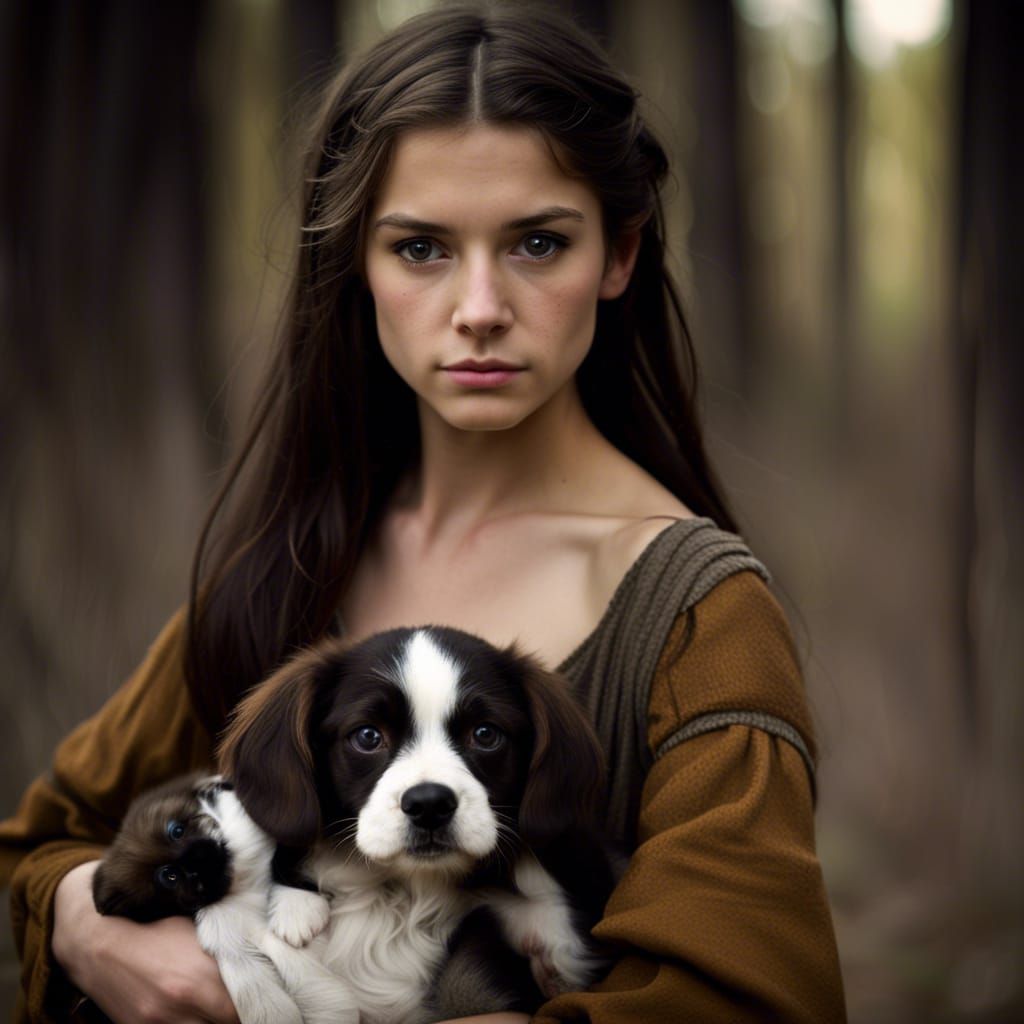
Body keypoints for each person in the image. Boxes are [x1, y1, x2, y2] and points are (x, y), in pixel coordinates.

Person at [0, 4, 847, 1022]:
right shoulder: (292, 564)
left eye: (537, 242)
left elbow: (743, 999)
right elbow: (43, 844)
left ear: (618, 256)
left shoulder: (701, 617)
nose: (480, 303)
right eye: (421, 248)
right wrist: (90, 927)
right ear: (356, 263)